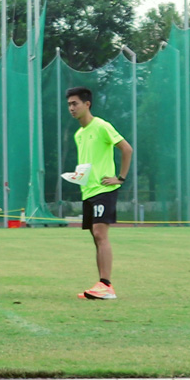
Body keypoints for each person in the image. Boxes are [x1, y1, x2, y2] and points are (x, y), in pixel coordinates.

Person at [66, 86, 133, 300]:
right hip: (89, 191)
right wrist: (79, 176)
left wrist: (120, 178)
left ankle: (106, 285)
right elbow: (88, 162)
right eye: (69, 104)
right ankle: (101, 285)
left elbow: (126, 149)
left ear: (87, 104)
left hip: (104, 189)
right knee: (96, 237)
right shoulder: (79, 134)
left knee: (99, 234)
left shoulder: (102, 126)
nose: (71, 108)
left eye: (75, 103)